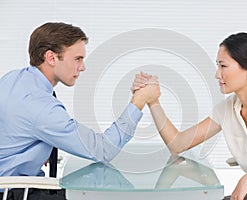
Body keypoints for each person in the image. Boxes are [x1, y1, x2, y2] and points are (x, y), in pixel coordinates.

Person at [0, 22, 160, 200]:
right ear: (51, 58)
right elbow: (103, 150)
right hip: (14, 194)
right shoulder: (41, 106)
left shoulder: (13, 79)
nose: (82, 67)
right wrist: (139, 101)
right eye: (78, 59)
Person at [132, 32, 247, 200]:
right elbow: (178, 144)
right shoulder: (227, 109)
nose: (217, 74)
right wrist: (152, 101)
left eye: (223, 66)